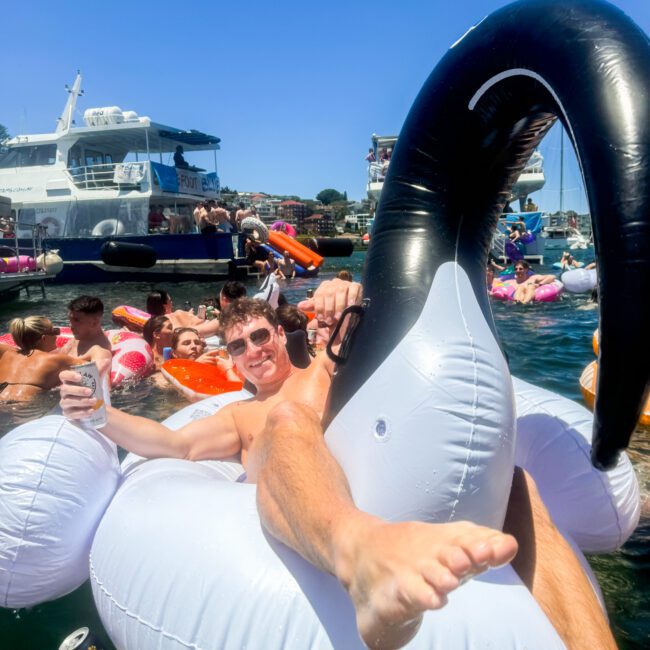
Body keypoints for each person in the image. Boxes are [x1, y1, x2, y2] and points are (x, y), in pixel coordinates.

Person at [59, 283, 615, 650]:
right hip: (319, 526)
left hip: (391, 494)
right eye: (238, 346)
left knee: (517, 481)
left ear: (280, 335)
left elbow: (389, 316)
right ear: (229, 359)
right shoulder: (241, 417)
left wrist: (346, 290)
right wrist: (99, 417)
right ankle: (362, 556)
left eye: (260, 336)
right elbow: (172, 446)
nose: (253, 351)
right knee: (288, 424)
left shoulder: (325, 371)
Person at [0, 317, 91, 402]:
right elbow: (93, 368)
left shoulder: (7, 354)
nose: (56, 336)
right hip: (22, 409)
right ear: (44, 338)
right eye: (54, 331)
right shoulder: (56, 360)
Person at [58, 297, 113, 373]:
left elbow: (94, 381)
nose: (71, 326)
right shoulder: (79, 337)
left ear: (94, 322)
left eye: (76, 320)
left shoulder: (100, 351)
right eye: (70, 320)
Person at [145, 290, 222, 338]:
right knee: (220, 320)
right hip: (189, 333)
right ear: (165, 306)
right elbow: (200, 320)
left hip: (181, 335)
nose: (172, 303)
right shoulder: (177, 314)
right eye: (170, 301)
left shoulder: (150, 324)